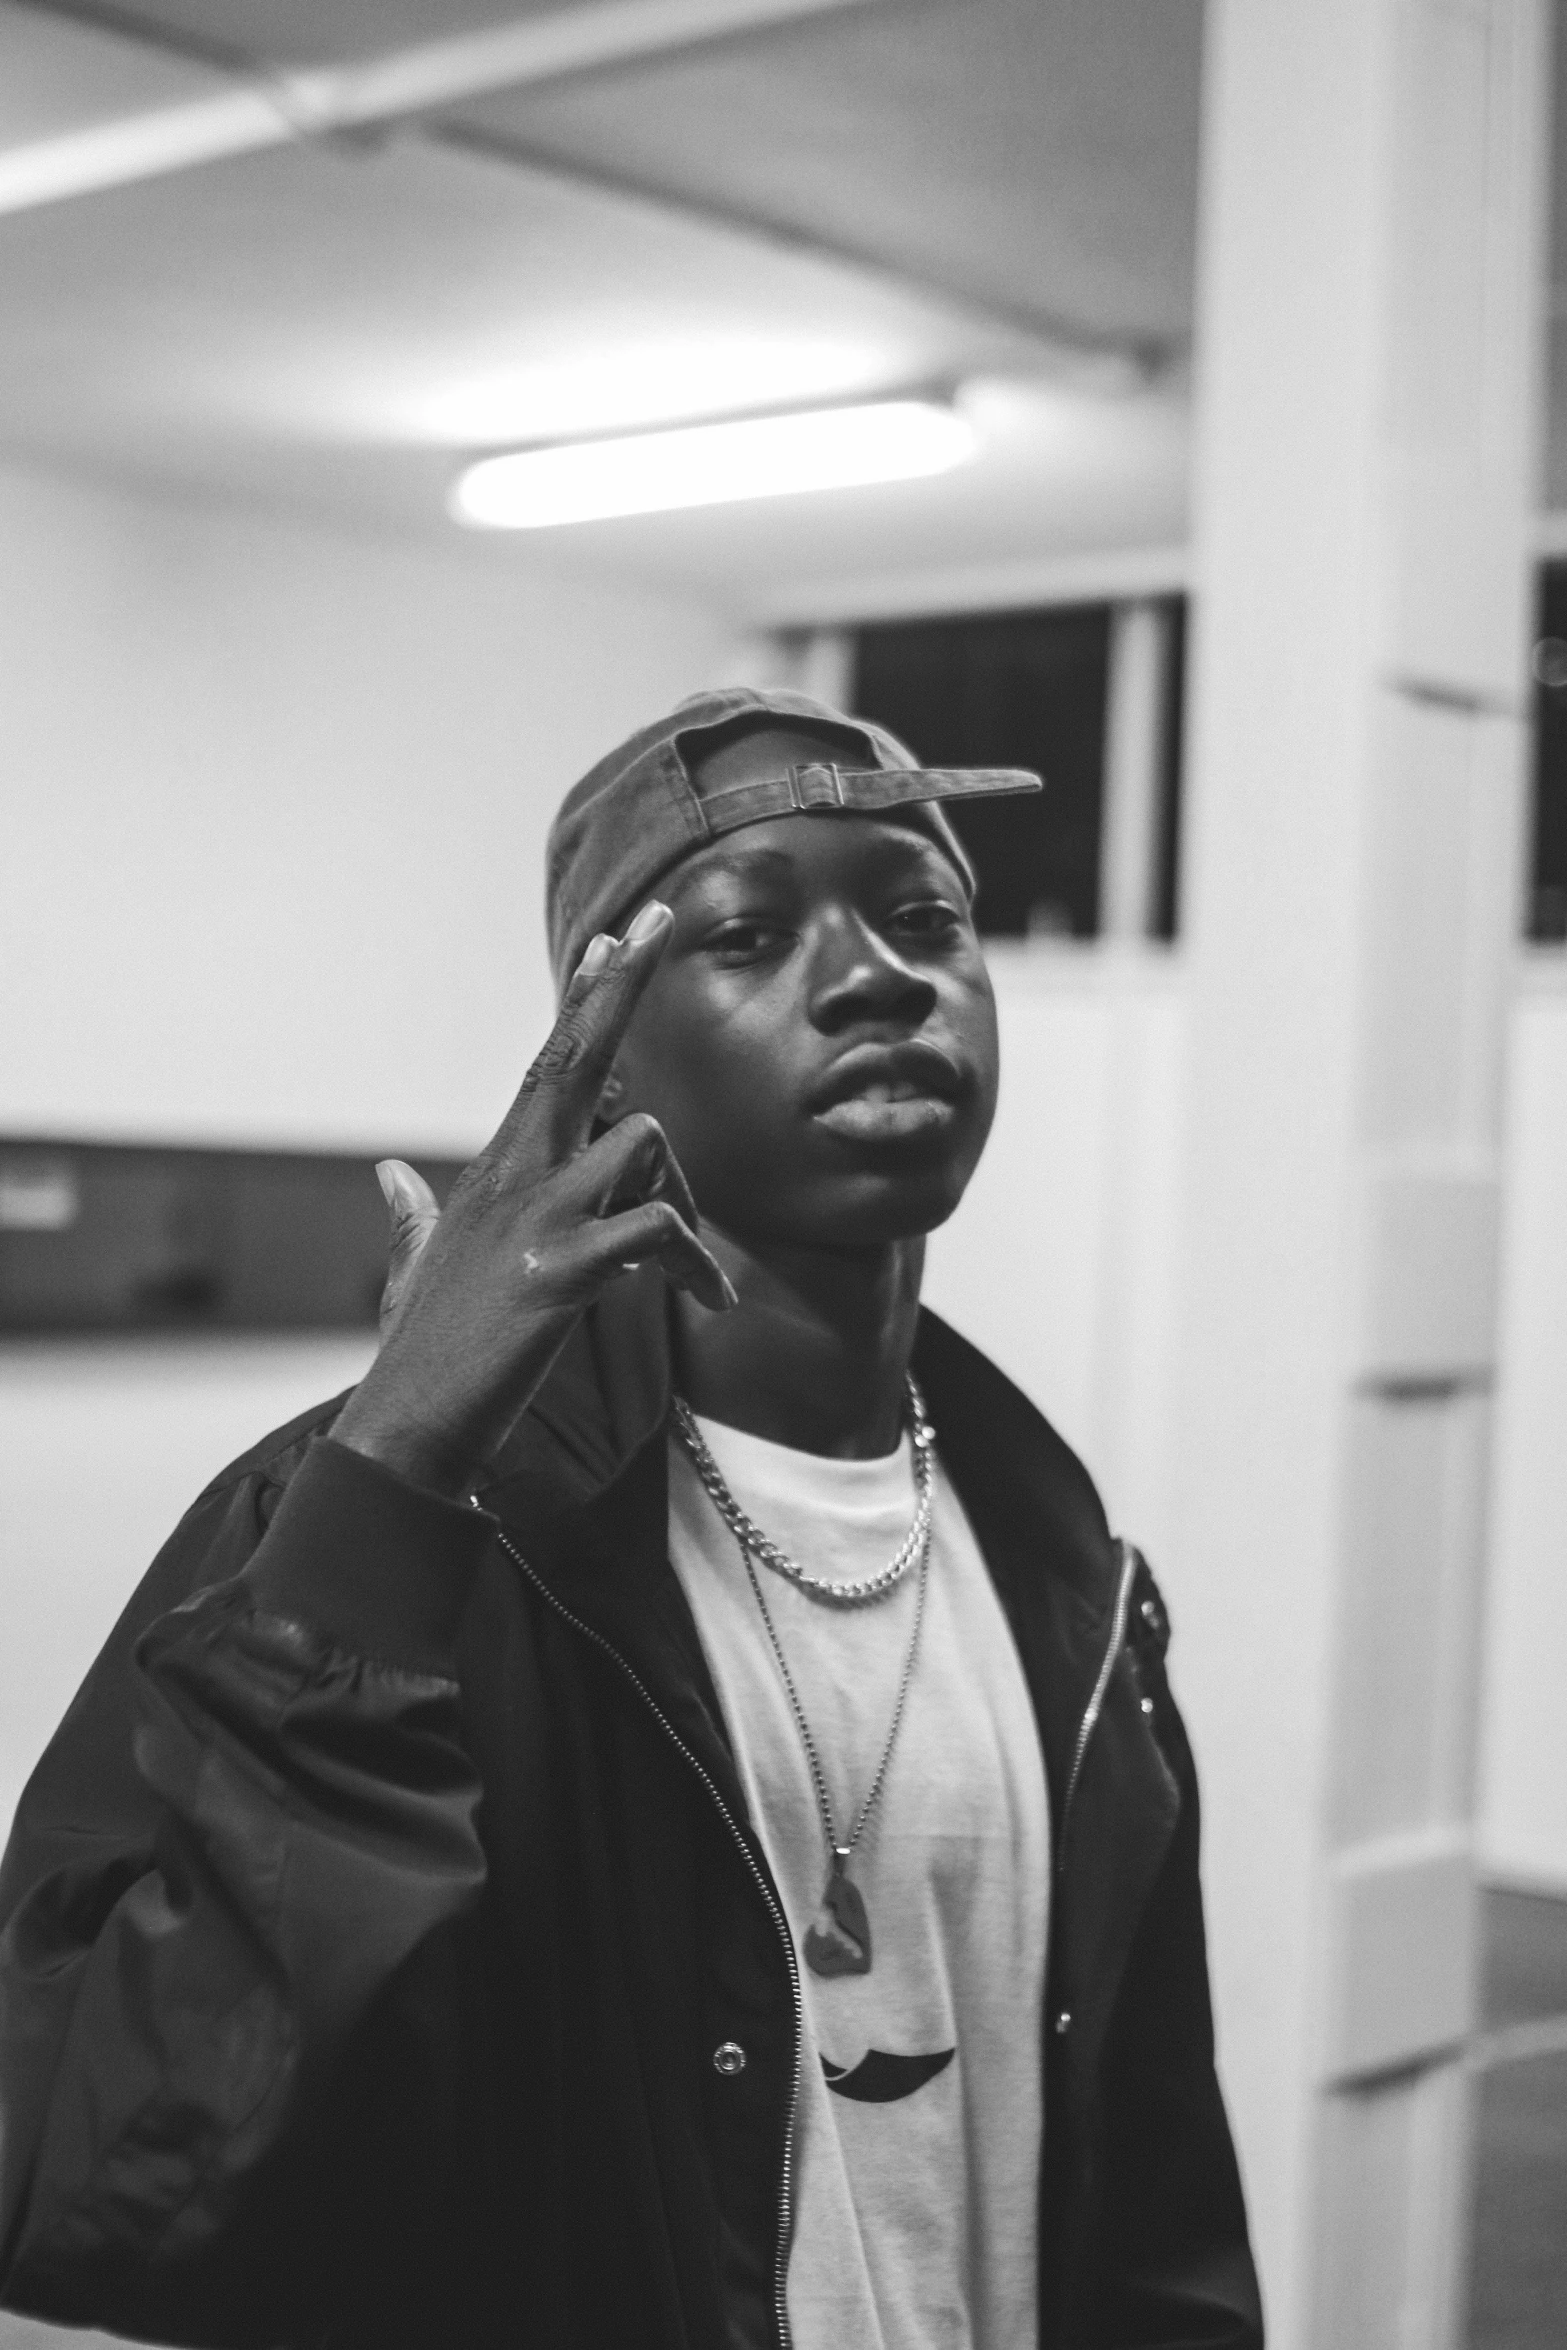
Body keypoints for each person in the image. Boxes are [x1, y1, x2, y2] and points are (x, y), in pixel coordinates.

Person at [0, 686, 1262, 2350]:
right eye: (747, 933)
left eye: (923, 917)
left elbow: (1154, 2214)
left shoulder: (1067, 1578)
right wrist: (383, 1481)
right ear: (599, 1062)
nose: (877, 973)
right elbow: (103, 2183)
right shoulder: (382, 1522)